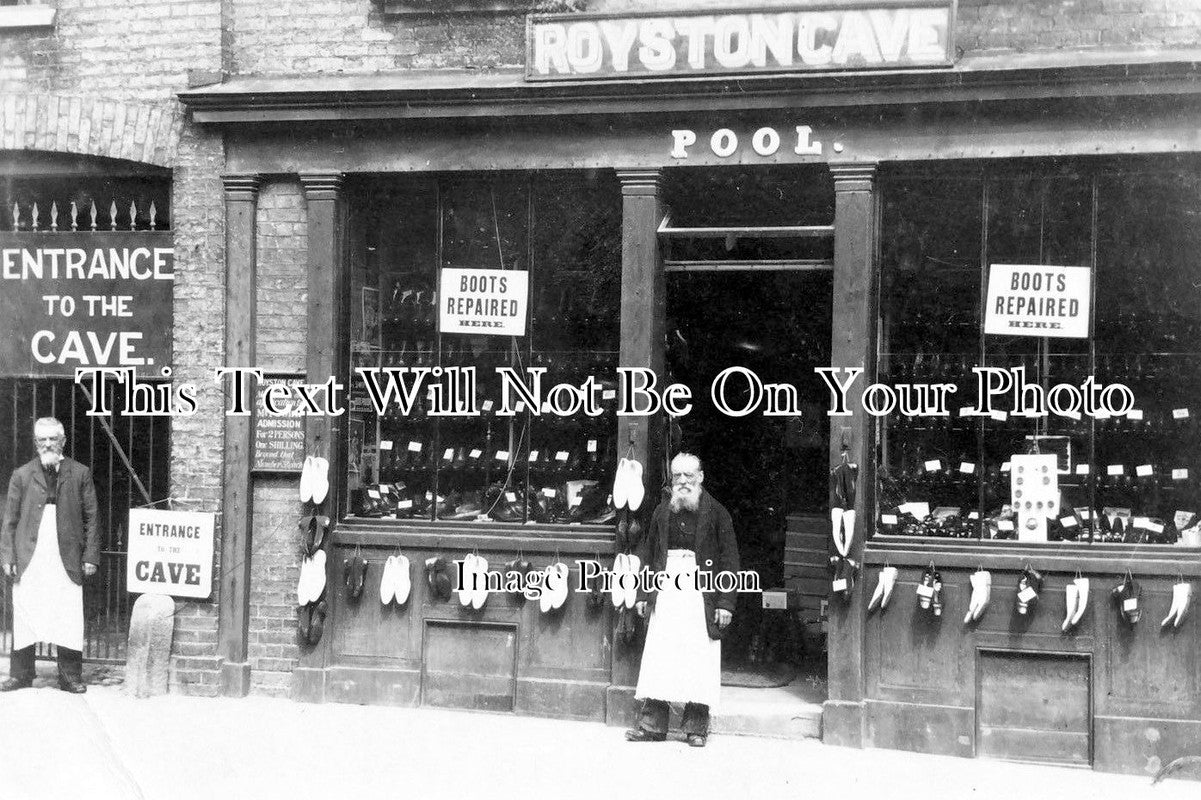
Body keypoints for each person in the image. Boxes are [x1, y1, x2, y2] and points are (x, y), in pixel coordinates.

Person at [626, 452, 740, 747]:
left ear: (701, 477)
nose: (683, 481)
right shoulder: (662, 512)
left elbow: (730, 560)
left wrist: (726, 603)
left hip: (703, 592)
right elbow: (648, 554)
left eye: (689, 475)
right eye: (678, 476)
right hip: (666, 588)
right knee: (661, 653)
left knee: (698, 655)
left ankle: (696, 728)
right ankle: (652, 725)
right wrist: (642, 593)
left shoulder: (717, 513)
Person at [1, 417, 100, 693]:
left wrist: (90, 555)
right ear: (35, 443)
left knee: (67, 612)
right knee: (25, 612)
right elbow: (9, 520)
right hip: (30, 555)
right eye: (42, 439)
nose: (47, 444)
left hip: (66, 555)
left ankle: (69, 676)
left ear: (63, 441)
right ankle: (20, 674)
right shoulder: (21, 475)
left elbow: (92, 517)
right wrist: (8, 557)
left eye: (52, 438)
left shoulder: (80, 473)